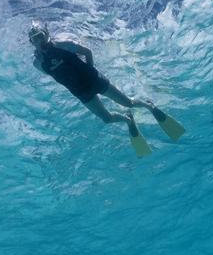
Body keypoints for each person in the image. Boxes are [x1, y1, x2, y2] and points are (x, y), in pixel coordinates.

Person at [28, 22, 185, 157]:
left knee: (128, 103)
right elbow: (57, 75)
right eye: (35, 38)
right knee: (107, 119)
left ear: (47, 34)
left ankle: (149, 106)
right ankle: (128, 120)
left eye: (40, 35)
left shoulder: (64, 44)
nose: (39, 40)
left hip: (95, 80)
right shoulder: (38, 63)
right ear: (31, 42)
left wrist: (90, 70)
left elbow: (87, 52)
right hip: (80, 92)